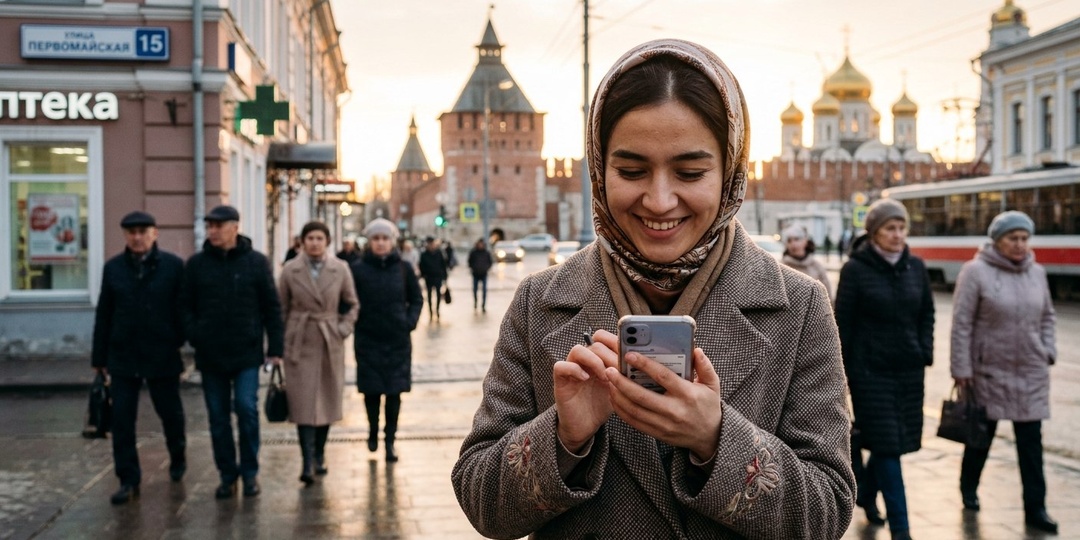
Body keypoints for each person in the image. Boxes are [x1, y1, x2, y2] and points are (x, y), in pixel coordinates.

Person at [451, 39, 854, 539]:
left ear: (730, 171)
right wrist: (563, 437)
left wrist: (717, 439)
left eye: (690, 172)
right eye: (631, 171)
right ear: (599, 170)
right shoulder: (541, 303)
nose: (660, 201)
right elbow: (482, 504)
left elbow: (827, 512)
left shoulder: (798, 307)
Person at [949, 211, 1058, 534]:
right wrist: (961, 368)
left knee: (1031, 445)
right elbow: (962, 323)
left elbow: (1048, 316)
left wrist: (1048, 350)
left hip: (1031, 370)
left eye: (1024, 239)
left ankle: (1036, 509)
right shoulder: (975, 272)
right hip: (988, 371)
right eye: (1013, 238)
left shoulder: (1037, 272)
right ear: (997, 240)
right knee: (980, 438)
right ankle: (968, 488)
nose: (1020, 244)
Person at [835, 199, 934, 540]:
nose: (898, 235)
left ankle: (865, 492)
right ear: (874, 233)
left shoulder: (915, 267)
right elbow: (842, 324)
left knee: (891, 442)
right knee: (888, 447)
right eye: (891, 228)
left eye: (902, 228)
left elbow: (926, 313)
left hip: (908, 371)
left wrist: (924, 351)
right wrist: (843, 373)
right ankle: (901, 530)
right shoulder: (855, 270)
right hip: (870, 373)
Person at [181, 205, 283, 499]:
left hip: (246, 353)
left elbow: (271, 307)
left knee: (247, 409)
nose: (212, 231)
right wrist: (195, 334)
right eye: (209, 226)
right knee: (218, 417)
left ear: (235, 228)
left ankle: (250, 473)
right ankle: (227, 475)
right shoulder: (197, 265)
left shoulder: (256, 263)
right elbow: (184, 306)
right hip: (210, 354)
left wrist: (275, 347)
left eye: (218, 226)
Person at [91, 211, 187, 505]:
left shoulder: (172, 266)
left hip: (162, 353)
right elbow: (104, 313)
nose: (137, 238)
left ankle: (178, 454)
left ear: (154, 234)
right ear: (125, 235)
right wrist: (99, 358)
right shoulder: (114, 268)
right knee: (121, 420)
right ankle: (128, 479)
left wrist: (177, 339)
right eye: (131, 232)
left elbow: (182, 309)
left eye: (143, 232)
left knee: (170, 413)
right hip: (123, 354)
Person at [277, 221, 359, 485]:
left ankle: (320, 453)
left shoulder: (340, 268)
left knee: (327, 400)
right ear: (302, 242)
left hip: (328, 342)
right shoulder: (290, 270)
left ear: (327, 242)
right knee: (302, 404)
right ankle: (307, 461)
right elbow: (281, 308)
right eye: (310, 238)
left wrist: (342, 329)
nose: (314, 242)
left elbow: (352, 304)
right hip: (299, 342)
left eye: (319, 238)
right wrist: (280, 342)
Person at [350, 218, 423, 463]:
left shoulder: (403, 268)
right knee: (371, 392)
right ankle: (373, 431)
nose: (380, 243)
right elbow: (349, 301)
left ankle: (390, 441)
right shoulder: (358, 269)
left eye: (385, 239)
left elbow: (416, 298)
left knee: (394, 393)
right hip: (368, 340)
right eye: (376, 239)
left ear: (392, 242)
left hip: (397, 341)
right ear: (369, 242)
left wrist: (409, 322)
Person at [780, 224, 833, 301]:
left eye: (797, 239)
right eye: (789, 240)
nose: (793, 244)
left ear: (805, 241)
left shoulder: (816, 267)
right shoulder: (781, 268)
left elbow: (827, 296)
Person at [418, 236, 448, 320]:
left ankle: (437, 310)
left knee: (438, 295)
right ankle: (431, 312)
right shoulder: (424, 254)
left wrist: (444, 276)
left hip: (438, 277)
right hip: (429, 278)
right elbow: (421, 266)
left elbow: (443, 265)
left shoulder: (439, 253)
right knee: (429, 295)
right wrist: (424, 275)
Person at [466, 238, 493, 312]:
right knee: (475, 290)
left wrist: (486, 268)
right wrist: (473, 268)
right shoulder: (473, 252)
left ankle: (483, 305)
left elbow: (490, 262)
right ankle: (475, 302)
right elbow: (469, 261)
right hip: (475, 274)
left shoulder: (486, 253)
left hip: (484, 274)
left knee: (484, 290)